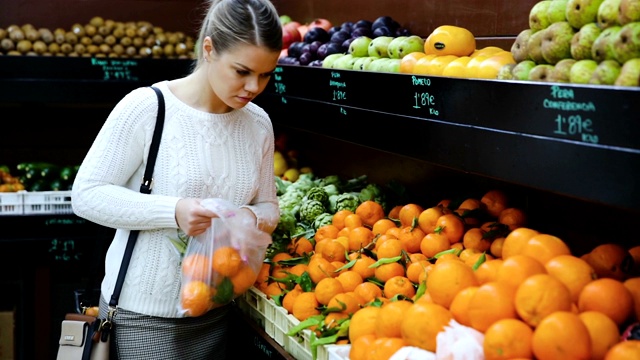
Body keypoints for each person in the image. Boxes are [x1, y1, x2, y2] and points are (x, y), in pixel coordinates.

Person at [71, 0, 282, 358]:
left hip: (220, 312)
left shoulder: (258, 123)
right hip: (145, 319)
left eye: (265, 75)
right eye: (242, 71)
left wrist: (243, 218)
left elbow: (268, 206)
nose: (253, 87)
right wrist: (174, 211)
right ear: (210, 49)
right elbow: (86, 195)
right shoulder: (147, 107)